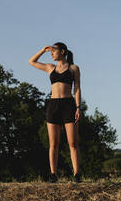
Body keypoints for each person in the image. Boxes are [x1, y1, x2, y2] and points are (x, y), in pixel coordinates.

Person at [28, 42, 82, 183]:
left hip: (68, 105)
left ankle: (76, 175)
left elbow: (77, 88)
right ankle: (53, 174)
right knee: (53, 143)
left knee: (73, 143)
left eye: (54, 51)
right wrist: (42, 50)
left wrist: (78, 107)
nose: (51, 53)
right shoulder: (50, 68)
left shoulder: (73, 68)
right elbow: (31, 61)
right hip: (53, 106)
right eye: (50, 51)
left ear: (63, 51)